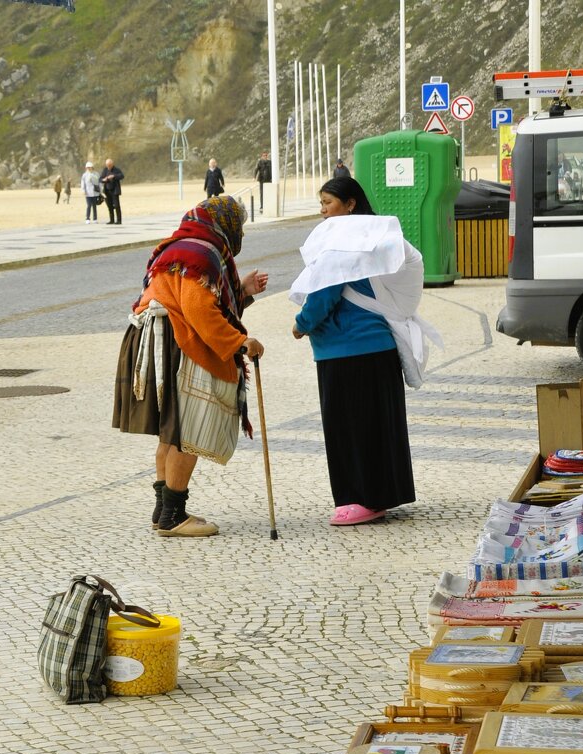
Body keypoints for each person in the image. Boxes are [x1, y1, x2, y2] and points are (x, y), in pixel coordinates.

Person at [112, 196, 268, 537]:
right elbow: (199, 310)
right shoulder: (201, 252)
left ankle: (163, 511)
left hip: (157, 339)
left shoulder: (184, 244)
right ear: (226, 225)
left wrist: (243, 290)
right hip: (177, 341)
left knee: (172, 430)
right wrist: (239, 342)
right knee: (188, 430)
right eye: (237, 226)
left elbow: (198, 299)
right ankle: (173, 517)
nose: (238, 233)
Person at [290, 177, 440, 527]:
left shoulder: (341, 243)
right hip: (378, 348)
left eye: (328, 202)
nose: (322, 210)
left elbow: (324, 294)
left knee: (349, 429)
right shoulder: (373, 235)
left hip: (346, 350)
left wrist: (301, 324)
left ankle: (361, 498)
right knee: (377, 426)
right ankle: (383, 493)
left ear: (350, 204)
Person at [99, 158, 124, 224]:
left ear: (112, 164)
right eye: (107, 165)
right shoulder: (105, 170)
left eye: (110, 165)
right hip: (107, 191)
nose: (108, 166)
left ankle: (119, 220)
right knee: (109, 206)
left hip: (115, 191)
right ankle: (111, 220)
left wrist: (114, 176)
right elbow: (100, 179)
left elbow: (122, 176)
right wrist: (104, 179)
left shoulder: (116, 170)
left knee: (117, 206)